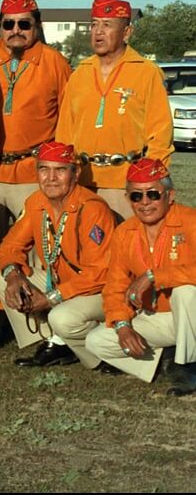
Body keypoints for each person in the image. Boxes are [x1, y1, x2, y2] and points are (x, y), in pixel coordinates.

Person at [0, 141, 114, 369]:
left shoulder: (92, 208)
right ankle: (53, 339)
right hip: (60, 285)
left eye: (60, 170)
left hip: (97, 291)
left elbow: (101, 273)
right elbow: (9, 246)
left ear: (76, 173)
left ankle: (106, 349)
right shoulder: (36, 202)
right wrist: (13, 277)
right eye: (44, 169)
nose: (51, 178)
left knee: (63, 317)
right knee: (2, 278)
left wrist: (52, 298)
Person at [85, 159, 196, 394]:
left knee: (186, 291)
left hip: (191, 314)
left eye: (153, 194)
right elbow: (115, 286)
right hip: (158, 318)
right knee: (95, 342)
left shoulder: (191, 221)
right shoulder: (124, 232)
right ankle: (165, 359)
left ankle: (189, 366)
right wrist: (123, 325)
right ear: (128, 199)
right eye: (137, 196)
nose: (145, 203)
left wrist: (155, 276)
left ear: (170, 195)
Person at [56, 0, 173, 221]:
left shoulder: (146, 72)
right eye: (94, 24)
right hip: (83, 183)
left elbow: (161, 135)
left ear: (127, 32)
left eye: (107, 25)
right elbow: (65, 132)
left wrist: (145, 183)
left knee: (126, 251)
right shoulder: (80, 73)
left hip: (125, 184)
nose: (98, 32)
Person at [0, 0, 72, 243]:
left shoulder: (55, 63)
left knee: (36, 250)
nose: (16, 30)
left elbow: (68, 120)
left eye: (24, 24)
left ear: (37, 26)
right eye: (9, 24)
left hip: (34, 175)